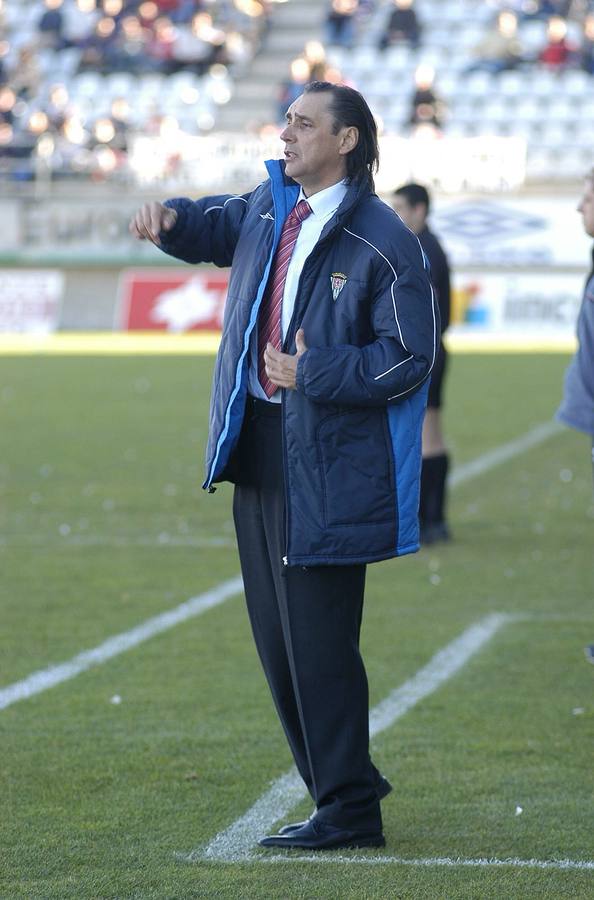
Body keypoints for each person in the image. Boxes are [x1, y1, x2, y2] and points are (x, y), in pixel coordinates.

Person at [130, 81, 438, 851]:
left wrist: (319, 372)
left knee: (320, 642)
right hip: (260, 450)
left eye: (305, 124)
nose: (288, 133)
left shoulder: (381, 239)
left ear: (348, 141)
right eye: (287, 120)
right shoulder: (271, 205)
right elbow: (214, 225)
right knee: (278, 641)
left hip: (330, 462)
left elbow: (411, 356)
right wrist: (170, 220)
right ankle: (344, 791)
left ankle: (348, 810)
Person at [392, 183, 451, 544]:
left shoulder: (423, 250)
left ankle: (430, 519)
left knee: (426, 435)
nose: (395, 215)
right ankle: (432, 518)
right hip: (435, 351)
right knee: (430, 433)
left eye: (400, 208)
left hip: (425, 354)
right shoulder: (430, 246)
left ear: (420, 211)